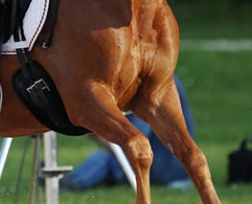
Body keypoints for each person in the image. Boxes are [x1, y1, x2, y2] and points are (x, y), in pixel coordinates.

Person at [60, 75, 196, 191]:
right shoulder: (162, 78)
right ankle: (69, 180)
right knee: (108, 158)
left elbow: (131, 144)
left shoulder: (150, 85)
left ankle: (73, 182)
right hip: (178, 167)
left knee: (104, 158)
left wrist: (93, 133)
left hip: (165, 168)